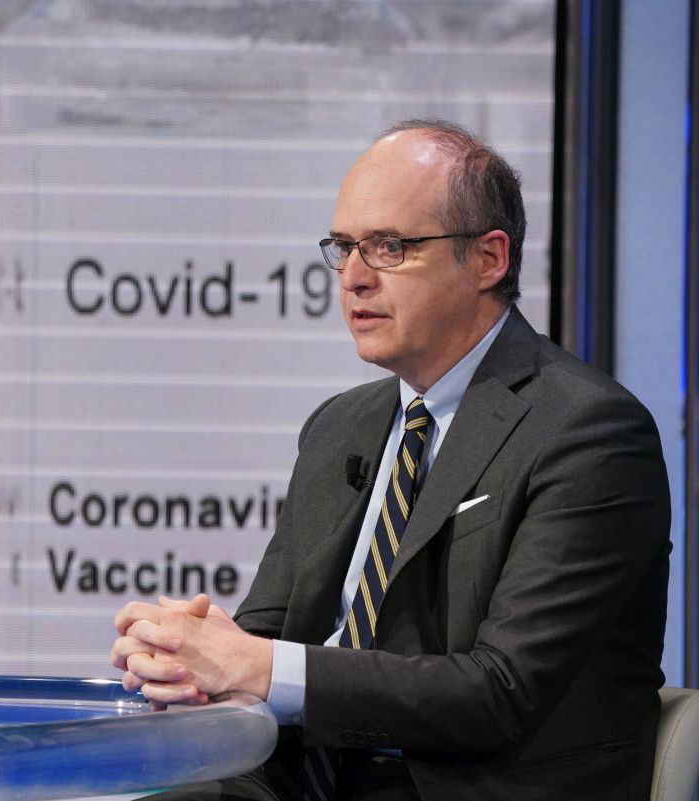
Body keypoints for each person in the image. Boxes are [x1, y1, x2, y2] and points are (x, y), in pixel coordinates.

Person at [110, 119, 671, 801]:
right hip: (300, 781)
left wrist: (255, 664)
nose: (353, 278)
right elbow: (267, 636)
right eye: (343, 248)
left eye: (389, 247)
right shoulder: (339, 426)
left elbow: (499, 693)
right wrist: (191, 659)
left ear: (488, 258)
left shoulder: (588, 432)